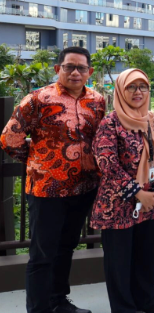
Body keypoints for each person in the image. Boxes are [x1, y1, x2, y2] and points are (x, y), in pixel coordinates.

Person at [0, 46, 105, 313]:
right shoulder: (37, 99)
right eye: (69, 66)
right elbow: (9, 139)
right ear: (58, 69)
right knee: (42, 254)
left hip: (83, 188)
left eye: (81, 68)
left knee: (66, 247)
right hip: (46, 189)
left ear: (89, 72)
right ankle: (39, 309)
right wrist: (39, 161)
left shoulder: (97, 100)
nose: (75, 72)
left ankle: (58, 301)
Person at [90, 69, 154, 313]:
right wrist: (138, 193)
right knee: (119, 262)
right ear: (120, 90)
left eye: (143, 87)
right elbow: (107, 164)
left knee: (146, 258)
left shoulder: (153, 120)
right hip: (118, 205)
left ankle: (145, 302)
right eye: (131, 87)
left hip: (150, 204)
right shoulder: (110, 123)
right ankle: (124, 308)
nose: (138, 92)